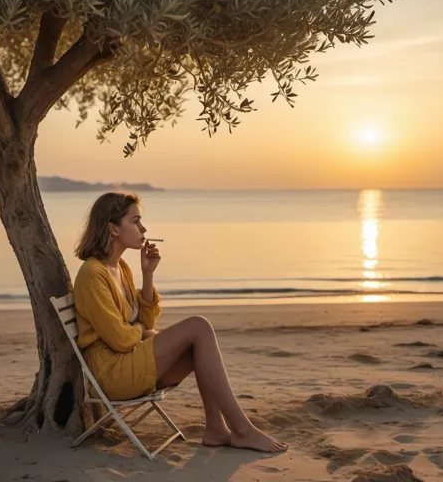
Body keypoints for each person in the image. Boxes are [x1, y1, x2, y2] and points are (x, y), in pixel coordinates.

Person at [73, 191, 288, 453]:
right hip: (112, 375)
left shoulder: (122, 269)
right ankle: (243, 430)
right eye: (136, 221)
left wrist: (148, 275)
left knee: (196, 346)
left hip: (127, 361)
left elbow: (145, 318)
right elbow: (121, 339)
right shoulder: (92, 274)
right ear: (113, 229)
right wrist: (142, 330)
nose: (144, 228)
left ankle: (216, 428)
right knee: (198, 325)